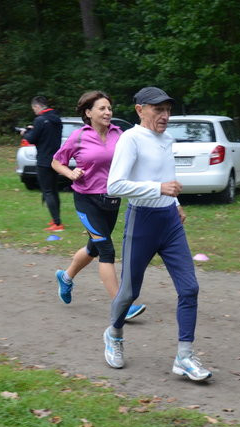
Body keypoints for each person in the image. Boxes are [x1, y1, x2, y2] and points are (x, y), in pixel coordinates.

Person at [102, 86, 210, 382]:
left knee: (189, 288)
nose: (165, 116)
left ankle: (184, 357)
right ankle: (114, 333)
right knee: (129, 292)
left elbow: (166, 176)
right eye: (158, 110)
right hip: (143, 220)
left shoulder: (167, 139)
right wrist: (158, 189)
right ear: (140, 110)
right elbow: (115, 186)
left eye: (168, 110)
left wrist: (175, 202)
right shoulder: (130, 139)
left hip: (169, 222)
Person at [50, 90, 146, 321]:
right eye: (102, 108)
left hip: (111, 200)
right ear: (88, 112)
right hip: (87, 200)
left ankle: (66, 277)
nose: (107, 112)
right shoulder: (79, 137)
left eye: (109, 108)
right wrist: (70, 173)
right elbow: (56, 161)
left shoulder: (118, 134)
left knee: (94, 248)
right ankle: (121, 306)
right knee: (106, 250)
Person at [22, 96, 64, 231]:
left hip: (43, 160)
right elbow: (47, 135)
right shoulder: (56, 118)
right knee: (54, 190)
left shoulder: (40, 120)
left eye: (34, 108)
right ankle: (55, 219)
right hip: (56, 159)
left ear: (37, 106)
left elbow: (32, 139)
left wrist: (26, 132)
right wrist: (34, 129)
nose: (34, 111)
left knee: (48, 191)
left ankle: (57, 224)